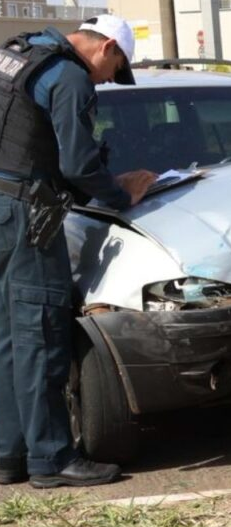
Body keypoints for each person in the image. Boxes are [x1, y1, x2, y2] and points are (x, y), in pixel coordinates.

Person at [0, 15, 156, 489]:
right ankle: (52, 459)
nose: (108, 79)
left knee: (7, 338)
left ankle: (8, 455)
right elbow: (78, 164)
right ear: (106, 46)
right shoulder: (69, 77)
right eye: (115, 68)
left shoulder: (15, 57)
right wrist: (119, 193)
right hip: (29, 213)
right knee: (41, 334)